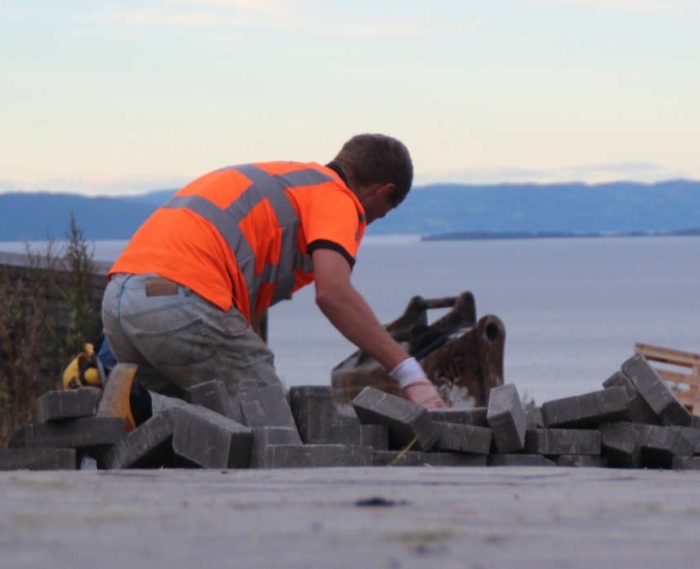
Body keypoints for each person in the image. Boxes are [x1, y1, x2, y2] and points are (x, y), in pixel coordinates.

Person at [99, 133, 446, 430]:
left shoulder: (286, 180)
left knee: (179, 438)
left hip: (119, 300)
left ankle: (140, 407)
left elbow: (217, 308)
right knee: (271, 431)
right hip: (182, 301)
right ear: (383, 192)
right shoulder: (336, 197)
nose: (370, 222)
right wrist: (410, 373)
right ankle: (144, 407)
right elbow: (334, 293)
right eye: (381, 213)